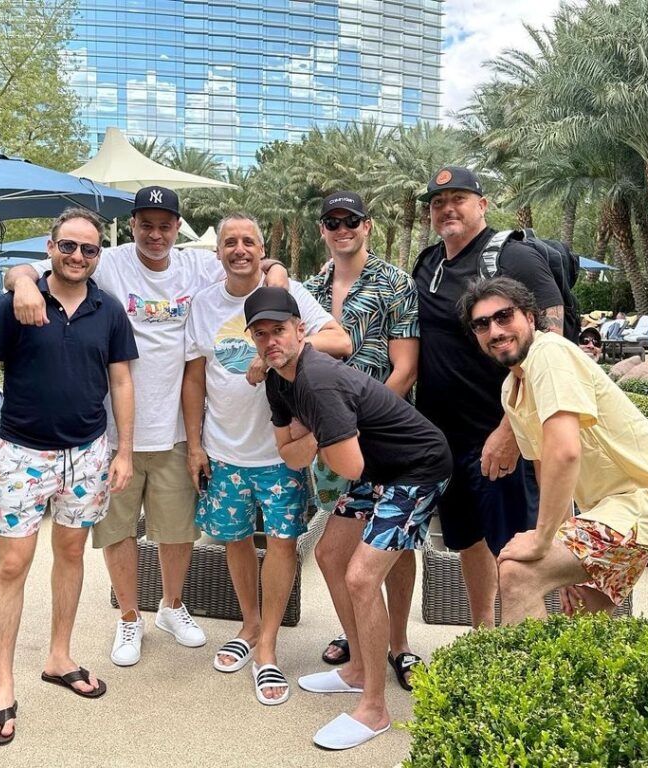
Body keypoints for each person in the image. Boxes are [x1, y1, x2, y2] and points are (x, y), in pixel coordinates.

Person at [4, 186, 289, 668]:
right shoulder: (108, 260)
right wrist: (24, 283)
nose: (155, 234)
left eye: (164, 225)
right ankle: (130, 615)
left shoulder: (197, 265)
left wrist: (276, 274)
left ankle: (172, 606)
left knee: (176, 531)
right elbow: (33, 266)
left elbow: (257, 264)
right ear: (132, 225)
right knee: (118, 531)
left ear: (177, 228)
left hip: (177, 429)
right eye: (146, 225)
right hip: (114, 433)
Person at [247, 286, 452, 750]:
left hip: (418, 467)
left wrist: (317, 435)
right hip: (377, 467)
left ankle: (375, 710)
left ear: (302, 331)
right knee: (329, 553)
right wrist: (323, 437)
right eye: (260, 335)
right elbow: (292, 455)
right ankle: (360, 668)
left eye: (278, 330)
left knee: (361, 576)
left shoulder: (318, 379)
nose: (270, 341)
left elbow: (348, 466)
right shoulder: (281, 381)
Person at [0, 208, 138, 746]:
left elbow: (122, 383)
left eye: (89, 250)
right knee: (13, 564)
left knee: (70, 552)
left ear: (98, 256)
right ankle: (2, 687)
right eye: (69, 246)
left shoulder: (108, 310)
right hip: (22, 454)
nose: (78, 257)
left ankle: (59, 656)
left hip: (87, 455)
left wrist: (124, 450)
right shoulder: (16, 302)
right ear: (51, 246)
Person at [460, 276, 648, 622]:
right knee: (586, 605)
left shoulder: (550, 354)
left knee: (518, 572)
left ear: (529, 317)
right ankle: (589, 674)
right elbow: (547, 466)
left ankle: (518, 677)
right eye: (482, 324)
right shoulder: (512, 387)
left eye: (504, 317)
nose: (495, 330)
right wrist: (560, 544)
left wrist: (544, 541)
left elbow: (565, 451)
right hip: (614, 508)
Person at [181, 213, 350, 705]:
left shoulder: (288, 292)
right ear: (219, 253)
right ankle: (249, 625)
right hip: (224, 450)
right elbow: (195, 377)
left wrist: (278, 352)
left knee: (281, 545)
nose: (239, 249)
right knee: (234, 541)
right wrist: (194, 443)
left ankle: (268, 648)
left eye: (248, 241)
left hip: (281, 453)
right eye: (229, 242)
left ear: (262, 249)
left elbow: (340, 340)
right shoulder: (206, 303)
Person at [410, 165, 565, 628]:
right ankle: (484, 636)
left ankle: (522, 653)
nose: (447, 208)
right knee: (468, 542)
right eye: (438, 203)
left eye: (458, 198)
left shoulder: (512, 257)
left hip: (497, 434)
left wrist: (512, 429)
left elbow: (551, 345)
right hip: (442, 437)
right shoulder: (428, 262)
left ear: (482, 204)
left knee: (516, 549)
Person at [302, 191, 424, 690]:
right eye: (332, 221)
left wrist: (364, 423)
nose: (341, 228)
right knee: (344, 543)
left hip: (383, 436)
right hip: (330, 440)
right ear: (323, 230)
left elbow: (406, 367)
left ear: (367, 225)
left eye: (350, 219)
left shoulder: (396, 283)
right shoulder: (309, 288)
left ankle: (398, 644)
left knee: (395, 543)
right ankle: (358, 635)